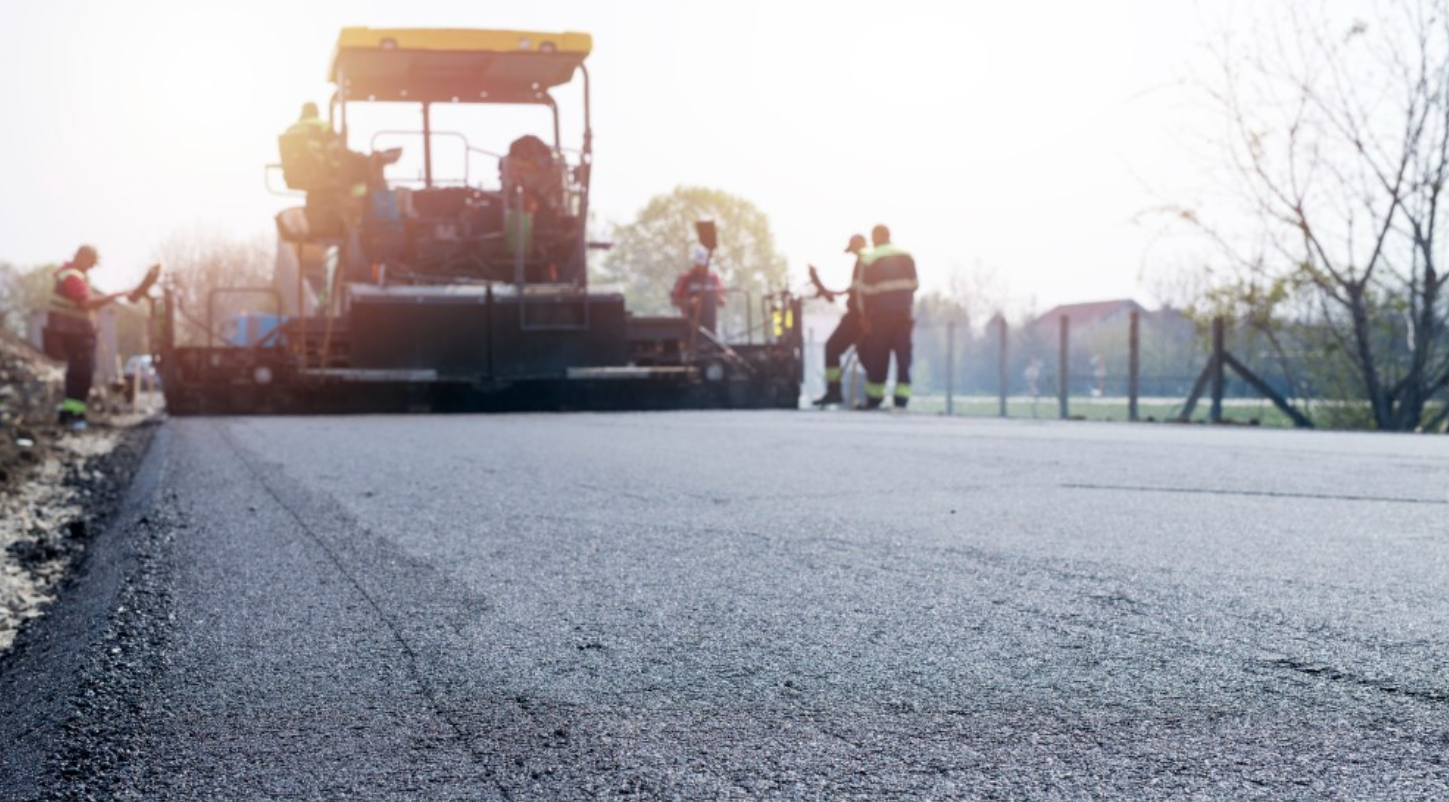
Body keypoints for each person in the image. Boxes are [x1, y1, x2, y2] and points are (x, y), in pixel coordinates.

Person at [45, 246, 136, 429]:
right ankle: (74, 416)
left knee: (78, 372)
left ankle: (71, 413)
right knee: (81, 373)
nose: (91, 267)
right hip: (75, 333)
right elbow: (86, 303)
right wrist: (115, 295)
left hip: (76, 332)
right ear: (82, 257)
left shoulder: (70, 274)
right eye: (91, 263)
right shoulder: (73, 276)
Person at [856, 224, 918, 409]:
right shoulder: (906, 254)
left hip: (881, 316)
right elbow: (914, 284)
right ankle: (902, 399)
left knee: (878, 356)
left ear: (875, 237)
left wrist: (864, 316)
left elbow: (863, 292)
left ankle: (875, 398)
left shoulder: (869, 258)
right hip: (904, 315)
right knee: (903, 357)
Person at [809, 233, 869, 406]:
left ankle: (834, 391)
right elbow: (855, 290)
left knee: (832, 347)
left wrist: (863, 316)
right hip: (862, 315)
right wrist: (835, 293)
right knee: (865, 355)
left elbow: (859, 293)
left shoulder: (863, 262)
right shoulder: (865, 263)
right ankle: (871, 396)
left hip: (857, 317)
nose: (853, 253)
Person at [671, 245, 727, 336]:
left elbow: (722, 301)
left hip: (711, 327)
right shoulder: (686, 278)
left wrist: (718, 298)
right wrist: (690, 302)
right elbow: (675, 300)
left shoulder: (714, 278)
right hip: (690, 326)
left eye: (703, 264)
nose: (701, 267)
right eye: (699, 264)